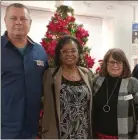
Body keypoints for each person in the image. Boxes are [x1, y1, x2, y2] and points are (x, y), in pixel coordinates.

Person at [1, 3, 48, 139]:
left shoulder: (40, 52)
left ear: (30, 23)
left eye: (23, 19)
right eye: (13, 18)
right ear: (5, 21)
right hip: (4, 129)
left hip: (31, 129)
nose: (18, 22)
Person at [41, 35, 93, 139]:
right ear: (59, 54)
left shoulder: (87, 74)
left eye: (73, 51)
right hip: (59, 132)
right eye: (64, 51)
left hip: (83, 131)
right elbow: (43, 102)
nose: (69, 54)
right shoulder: (50, 74)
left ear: (78, 53)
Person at [92, 48, 138, 139]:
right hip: (97, 136)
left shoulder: (133, 84)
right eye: (112, 62)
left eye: (119, 62)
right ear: (106, 63)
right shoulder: (97, 80)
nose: (115, 65)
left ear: (124, 64)